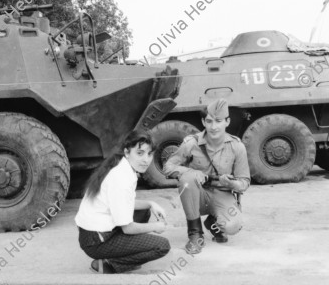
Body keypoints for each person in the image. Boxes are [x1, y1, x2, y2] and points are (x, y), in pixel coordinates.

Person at [75, 130, 170, 274]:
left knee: (143, 210)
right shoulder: (121, 178)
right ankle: (110, 264)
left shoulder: (122, 165)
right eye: (140, 153)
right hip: (96, 241)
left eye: (149, 154)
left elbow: (125, 204)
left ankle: (126, 251)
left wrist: (151, 203)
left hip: (94, 233)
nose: (146, 159)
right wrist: (155, 226)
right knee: (162, 246)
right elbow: (128, 228)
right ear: (127, 152)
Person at [164, 98, 250, 254]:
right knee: (187, 180)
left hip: (222, 194)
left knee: (232, 226)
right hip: (197, 195)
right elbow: (168, 167)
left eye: (218, 121)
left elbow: (244, 182)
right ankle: (195, 235)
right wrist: (191, 172)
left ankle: (213, 223)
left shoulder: (237, 147)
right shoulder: (191, 143)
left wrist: (232, 184)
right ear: (203, 122)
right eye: (209, 121)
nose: (214, 127)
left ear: (227, 122)